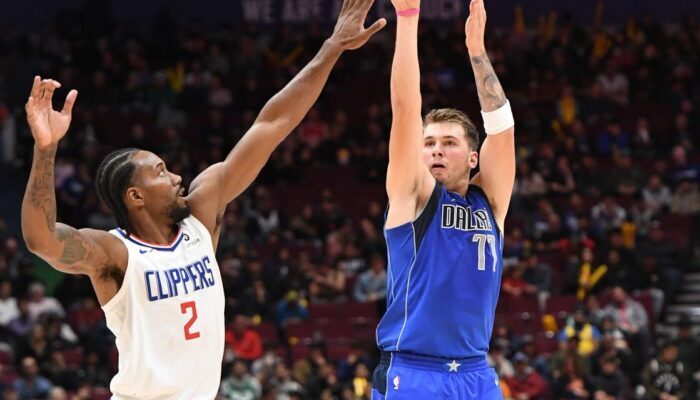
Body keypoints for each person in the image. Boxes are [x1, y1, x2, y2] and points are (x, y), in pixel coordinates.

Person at [20, 1, 386, 398]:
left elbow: (271, 124)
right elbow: (42, 240)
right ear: (135, 196)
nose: (176, 176)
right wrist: (45, 149)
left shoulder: (201, 215)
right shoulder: (115, 254)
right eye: (160, 172)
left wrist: (331, 48)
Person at [372, 0, 515, 398]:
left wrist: (478, 54)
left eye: (448, 143)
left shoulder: (490, 202)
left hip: (475, 373)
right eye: (429, 142)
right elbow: (404, 110)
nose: (435, 150)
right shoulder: (412, 196)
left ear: (473, 158)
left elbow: (502, 130)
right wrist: (407, 19)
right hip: (412, 371)